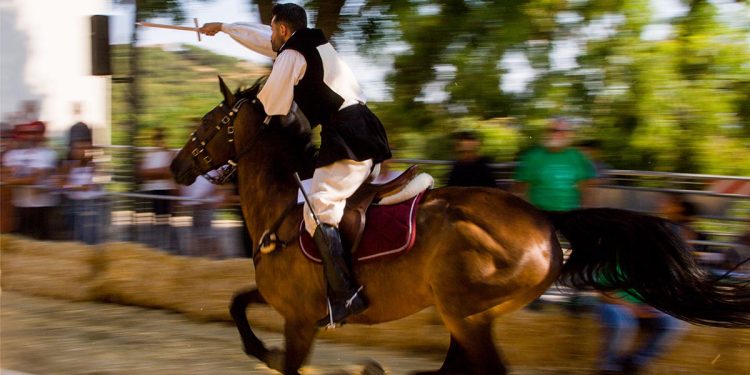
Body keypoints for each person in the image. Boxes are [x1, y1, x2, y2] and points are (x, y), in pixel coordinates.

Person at [199, 3, 392, 327]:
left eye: (275, 29)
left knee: (318, 207)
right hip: (362, 129)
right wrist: (223, 28)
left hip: (348, 136)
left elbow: (272, 106)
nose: (271, 35)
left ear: (285, 31)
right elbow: (264, 38)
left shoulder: (290, 55)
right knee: (311, 197)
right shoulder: (310, 43)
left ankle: (346, 294)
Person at [513, 117, 596, 212]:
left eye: (563, 131)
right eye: (553, 130)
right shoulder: (532, 157)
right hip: (540, 215)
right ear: (546, 133)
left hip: (570, 214)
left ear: (569, 134)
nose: (557, 134)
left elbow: (585, 187)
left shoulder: (577, 156)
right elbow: (519, 188)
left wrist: (586, 212)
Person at [595, 291, 684, 374]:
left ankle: (634, 363)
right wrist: (632, 308)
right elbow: (604, 294)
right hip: (615, 304)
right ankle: (610, 366)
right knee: (622, 325)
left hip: (645, 306)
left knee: (672, 325)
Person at [1, 119, 60, 240]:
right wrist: (19, 179)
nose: (29, 137)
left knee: (43, 242)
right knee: (23, 242)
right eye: (25, 134)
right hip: (21, 204)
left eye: (33, 134)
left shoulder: (47, 154)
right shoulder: (11, 155)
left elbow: (34, 179)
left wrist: (13, 180)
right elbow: (4, 176)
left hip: (43, 205)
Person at [61, 121, 108, 245]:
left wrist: (73, 186)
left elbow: (92, 185)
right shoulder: (67, 165)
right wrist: (76, 185)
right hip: (74, 207)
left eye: (84, 146)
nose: (81, 150)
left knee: (92, 242)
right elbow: (60, 184)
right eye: (77, 147)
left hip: (94, 207)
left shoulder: (97, 163)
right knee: (77, 242)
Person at [137, 128, 177, 251]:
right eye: (157, 139)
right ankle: (157, 246)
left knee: (165, 219)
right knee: (156, 219)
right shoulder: (150, 155)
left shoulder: (169, 154)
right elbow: (142, 172)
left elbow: (168, 171)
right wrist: (159, 173)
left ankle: (166, 246)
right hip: (153, 191)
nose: (159, 141)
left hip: (165, 190)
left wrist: (153, 173)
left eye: (161, 138)